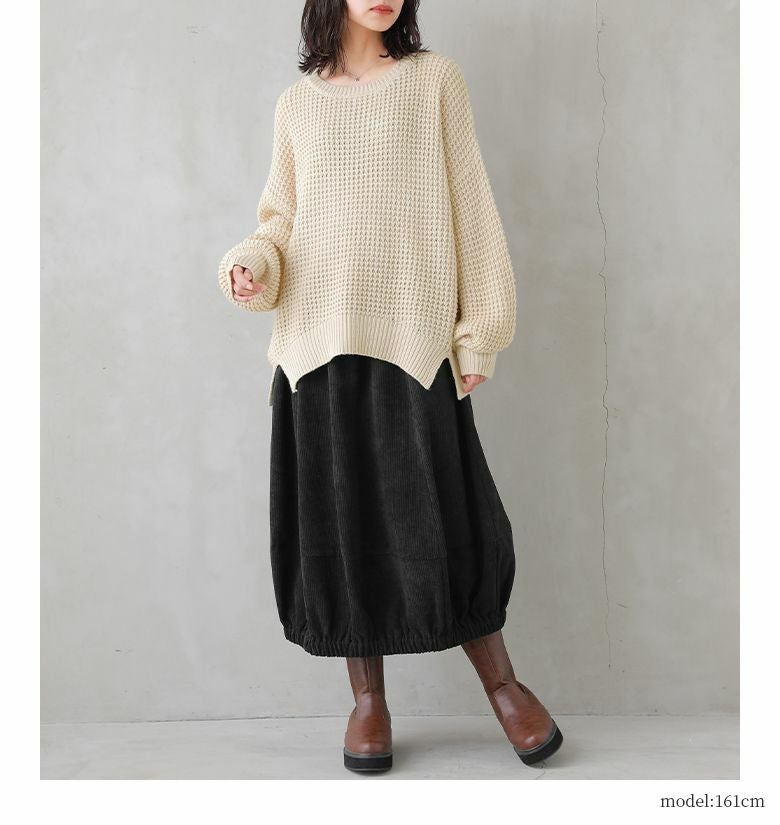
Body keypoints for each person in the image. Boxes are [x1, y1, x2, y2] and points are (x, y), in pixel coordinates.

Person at [217, 0, 562, 772]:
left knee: (451, 519)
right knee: (343, 531)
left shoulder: (434, 82)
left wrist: (480, 330)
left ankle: (504, 685)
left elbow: (472, 209)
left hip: (414, 342)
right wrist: (250, 265)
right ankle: (367, 700)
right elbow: (280, 222)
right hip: (316, 350)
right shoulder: (297, 105)